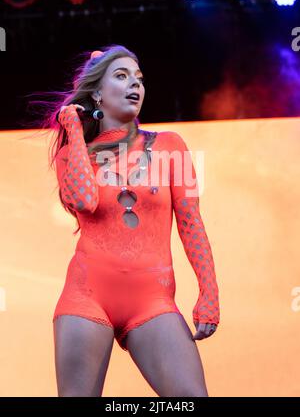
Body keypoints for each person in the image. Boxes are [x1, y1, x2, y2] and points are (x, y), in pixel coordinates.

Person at [52, 45, 220, 397]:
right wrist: (75, 131)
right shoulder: (72, 153)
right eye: (122, 75)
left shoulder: (171, 146)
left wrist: (209, 292)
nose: (135, 85)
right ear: (97, 93)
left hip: (152, 300)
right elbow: (84, 199)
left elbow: (191, 223)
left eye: (139, 79)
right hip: (86, 296)